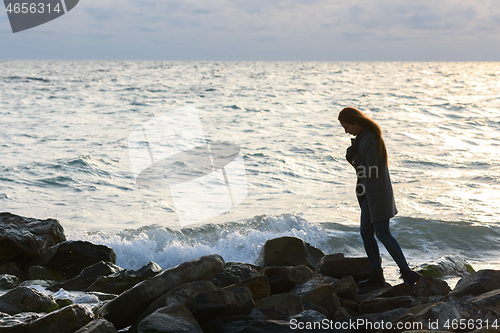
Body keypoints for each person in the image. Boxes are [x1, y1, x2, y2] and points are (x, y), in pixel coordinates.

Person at [338, 106, 421, 290]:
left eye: (347, 127)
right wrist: (354, 155)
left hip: (377, 193)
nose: (346, 131)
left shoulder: (371, 138)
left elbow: (370, 169)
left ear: (357, 123)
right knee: (366, 234)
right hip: (369, 192)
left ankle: (407, 273)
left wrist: (353, 157)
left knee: (382, 233)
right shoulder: (363, 137)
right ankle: (377, 275)